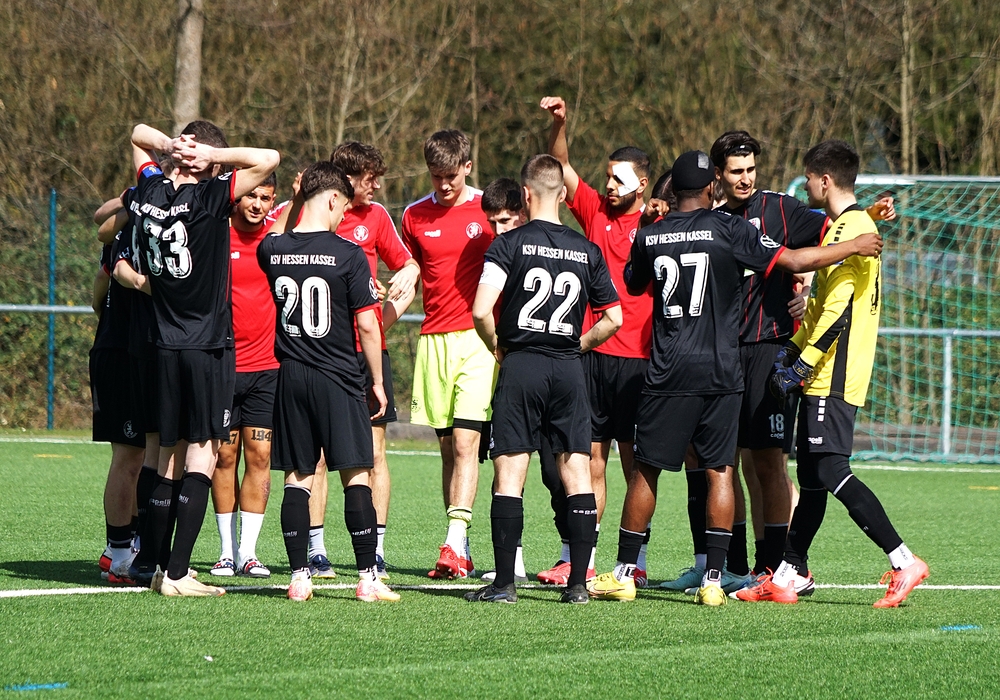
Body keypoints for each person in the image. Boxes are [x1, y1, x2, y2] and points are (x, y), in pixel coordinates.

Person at [587, 149, 883, 606]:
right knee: (721, 470)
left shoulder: (652, 234)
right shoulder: (729, 228)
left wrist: (648, 226)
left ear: (673, 190)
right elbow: (794, 261)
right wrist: (853, 246)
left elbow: (633, 283)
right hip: (723, 370)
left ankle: (625, 573)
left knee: (646, 471)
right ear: (712, 187)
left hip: (668, 370)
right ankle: (713, 581)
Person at [662, 132, 896, 595]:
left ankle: (772, 566)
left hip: (769, 348)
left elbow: (834, 234)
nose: (745, 178)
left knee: (768, 461)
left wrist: (812, 285)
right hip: (719, 351)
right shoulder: (705, 219)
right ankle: (727, 566)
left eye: (751, 169)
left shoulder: (780, 209)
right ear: (717, 175)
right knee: (719, 462)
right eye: (736, 171)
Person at [736, 140, 928, 607]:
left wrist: (801, 365)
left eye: (808, 178)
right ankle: (790, 573)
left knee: (829, 468)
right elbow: (821, 306)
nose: (805, 186)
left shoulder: (852, 227)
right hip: (826, 370)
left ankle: (903, 560)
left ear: (825, 180)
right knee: (813, 477)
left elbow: (838, 314)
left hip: (833, 374)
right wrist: (792, 352)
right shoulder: (845, 229)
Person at [129, 120, 279, 597]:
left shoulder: (149, 191)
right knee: (202, 455)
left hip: (161, 345)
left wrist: (170, 146)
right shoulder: (210, 196)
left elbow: (137, 135)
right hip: (206, 346)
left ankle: (157, 567)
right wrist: (212, 156)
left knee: (165, 459)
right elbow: (269, 158)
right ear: (207, 163)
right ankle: (177, 574)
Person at [467, 154, 622, 603]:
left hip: (523, 364)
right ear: (564, 194)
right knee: (577, 472)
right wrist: (579, 345)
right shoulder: (587, 249)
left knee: (510, 472)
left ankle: (504, 585)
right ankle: (577, 586)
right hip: (569, 368)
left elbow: (480, 310)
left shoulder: (508, 244)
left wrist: (497, 345)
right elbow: (614, 317)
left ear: (526, 194)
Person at [257, 160, 399, 603]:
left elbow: (273, 234)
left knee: (298, 478)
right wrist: (377, 381)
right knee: (356, 475)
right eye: (343, 208)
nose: (343, 217)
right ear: (335, 198)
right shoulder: (348, 254)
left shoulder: (274, 249)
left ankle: (299, 577)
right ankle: (368, 579)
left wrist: (295, 199)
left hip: (291, 377)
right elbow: (369, 326)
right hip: (338, 376)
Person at [277, 143, 420, 581]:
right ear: (344, 181)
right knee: (315, 461)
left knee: (373, 454)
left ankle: (375, 551)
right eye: (369, 177)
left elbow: (408, 267)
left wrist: (408, 274)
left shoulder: (377, 217)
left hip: (364, 353)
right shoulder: (303, 215)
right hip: (324, 355)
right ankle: (317, 551)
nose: (376, 186)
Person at [541, 95, 654, 586]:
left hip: (639, 363)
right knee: (587, 462)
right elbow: (562, 167)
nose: (609, 185)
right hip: (590, 355)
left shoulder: (658, 225)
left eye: (618, 179)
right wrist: (560, 125)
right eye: (607, 177)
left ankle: (636, 562)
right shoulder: (595, 212)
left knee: (637, 468)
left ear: (642, 184)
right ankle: (577, 558)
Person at [400, 130, 497, 579]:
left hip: (478, 339)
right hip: (433, 339)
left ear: (467, 167)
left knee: (465, 443)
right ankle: (461, 545)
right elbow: (411, 268)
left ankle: (453, 541)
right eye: (436, 176)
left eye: (451, 176)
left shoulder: (487, 210)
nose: (443, 185)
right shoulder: (413, 215)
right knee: (446, 450)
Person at [477, 177, 567, 585]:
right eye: (492, 222)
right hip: (515, 370)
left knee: (555, 470)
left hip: (552, 370)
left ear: (524, 210)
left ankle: (572, 556)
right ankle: (511, 561)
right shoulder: (502, 251)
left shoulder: (541, 248)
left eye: (505, 220)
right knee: (507, 463)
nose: (498, 230)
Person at [208, 173, 279, 579]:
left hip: (267, 369)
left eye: (265, 198)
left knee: (260, 455)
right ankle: (226, 551)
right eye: (250, 195)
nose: (256, 204)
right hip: (223, 367)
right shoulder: (216, 234)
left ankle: (249, 553)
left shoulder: (277, 240)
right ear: (236, 196)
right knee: (224, 456)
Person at [88, 232, 145, 584]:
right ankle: (119, 552)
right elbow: (104, 278)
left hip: (140, 351)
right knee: (129, 455)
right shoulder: (133, 230)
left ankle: (126, 547)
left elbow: (99, 285)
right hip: (120, 353)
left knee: (145, 455)